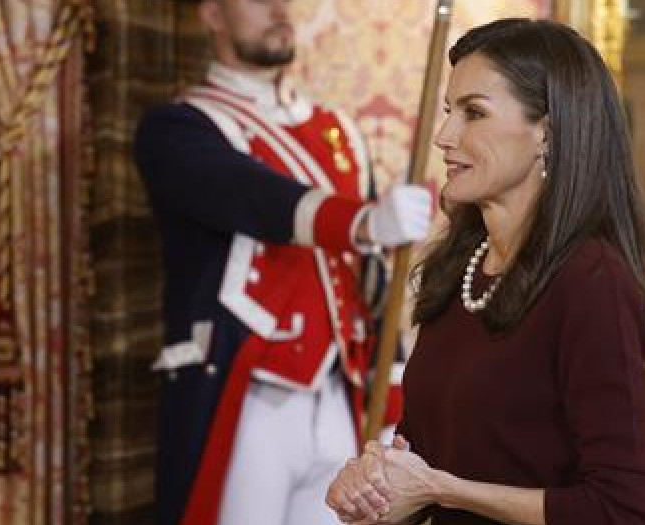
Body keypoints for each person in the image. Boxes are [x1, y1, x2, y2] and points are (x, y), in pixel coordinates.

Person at [323, 18, 645, 525]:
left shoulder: (593, 281)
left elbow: (625, 506)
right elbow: (431, 456)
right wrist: (375, 488)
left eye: (473, 113)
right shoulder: (458, 267)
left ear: (546, 133)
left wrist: (442, 489)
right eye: (448, 111)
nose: (444, 136)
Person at [133, 0, 433, 524]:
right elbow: (250, 195)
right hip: (247, 398)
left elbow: (367, 284)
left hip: (336, 401)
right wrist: (362, 223)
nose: (277, 9)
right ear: (211, 15)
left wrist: (393, 406)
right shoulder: (177, 130)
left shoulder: (337, 132)